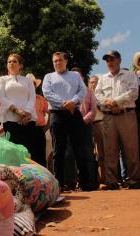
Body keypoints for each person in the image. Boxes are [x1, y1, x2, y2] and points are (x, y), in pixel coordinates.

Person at [42, 52, 98, 191]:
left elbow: (83, 90)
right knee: (58, 150)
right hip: (57, 114)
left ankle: (85, 183)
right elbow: (47, 93)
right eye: (55, 61)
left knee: (80, 149)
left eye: (60, 60)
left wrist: (73, 102)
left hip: (74, 114)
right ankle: (59, 184)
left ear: (66, 61)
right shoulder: (48, 77)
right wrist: (64, 103)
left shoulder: (75, 76)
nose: (57, 63)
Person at [95, 50, 140, 190]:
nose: (110, 62)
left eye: (112, 59)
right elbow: (97, 95)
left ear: (119, 60)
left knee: (131, 148)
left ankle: (134, 179)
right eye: (107, 60)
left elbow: (134, 92)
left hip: (127, 115)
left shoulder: (130, 75)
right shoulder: (102, 78)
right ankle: (112, 181)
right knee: (110, 150)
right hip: (109, 117)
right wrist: (107, 103)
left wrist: (115, 102)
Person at [0, 53, 38, 159]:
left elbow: (32, 97)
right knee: (13, 152)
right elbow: (1, 97)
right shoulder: (2, 79)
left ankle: (30, 175)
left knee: (29, 151)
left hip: (28, 120)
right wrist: (17, 111)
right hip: (10, 119)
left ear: (20, 65)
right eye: (9, 62)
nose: (11, 63)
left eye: (14, 61)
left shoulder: (27, 80)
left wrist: (27, 113)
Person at [27, 73, 49, 167]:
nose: (31, 86)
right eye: (29, 84)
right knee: (28, 156)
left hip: (39, 129)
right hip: (26, 129)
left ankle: (43, 180)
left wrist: (46, 127)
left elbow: (50, 113)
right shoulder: (22, 99)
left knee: (40, 156)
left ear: (35, 86)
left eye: (33, 84)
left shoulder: (41, 99)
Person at [89, 75, 106, 184]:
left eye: (95, 82)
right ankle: (98, 179)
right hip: (89, 125)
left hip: (102, 123)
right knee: (94, 154)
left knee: (105, 152)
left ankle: (106, 178)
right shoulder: (86, 95)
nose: (93, 84)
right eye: (91, 82)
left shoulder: (102, 95)